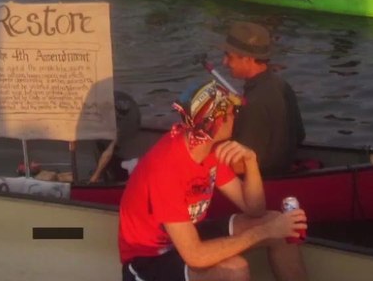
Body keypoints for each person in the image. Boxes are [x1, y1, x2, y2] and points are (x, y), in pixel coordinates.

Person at [118, 79, 308, 281]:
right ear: (215, 122)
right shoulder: (166, 169)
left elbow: (255, 209)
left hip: (188, 236)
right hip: (149, 259)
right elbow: (195, 256)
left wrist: (251, 162)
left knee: (278, 224)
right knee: (235, 269)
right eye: (232, 112)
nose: (236, 117)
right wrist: (264, 232)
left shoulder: (208, 150)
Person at [222, 22, 306, 177]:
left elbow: (240, 166)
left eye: (229, 57)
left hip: (263, 179)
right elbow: (300, 136)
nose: (225, 62)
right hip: (285, 168)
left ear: (248, 59)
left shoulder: (254, 103)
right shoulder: (281, 84)